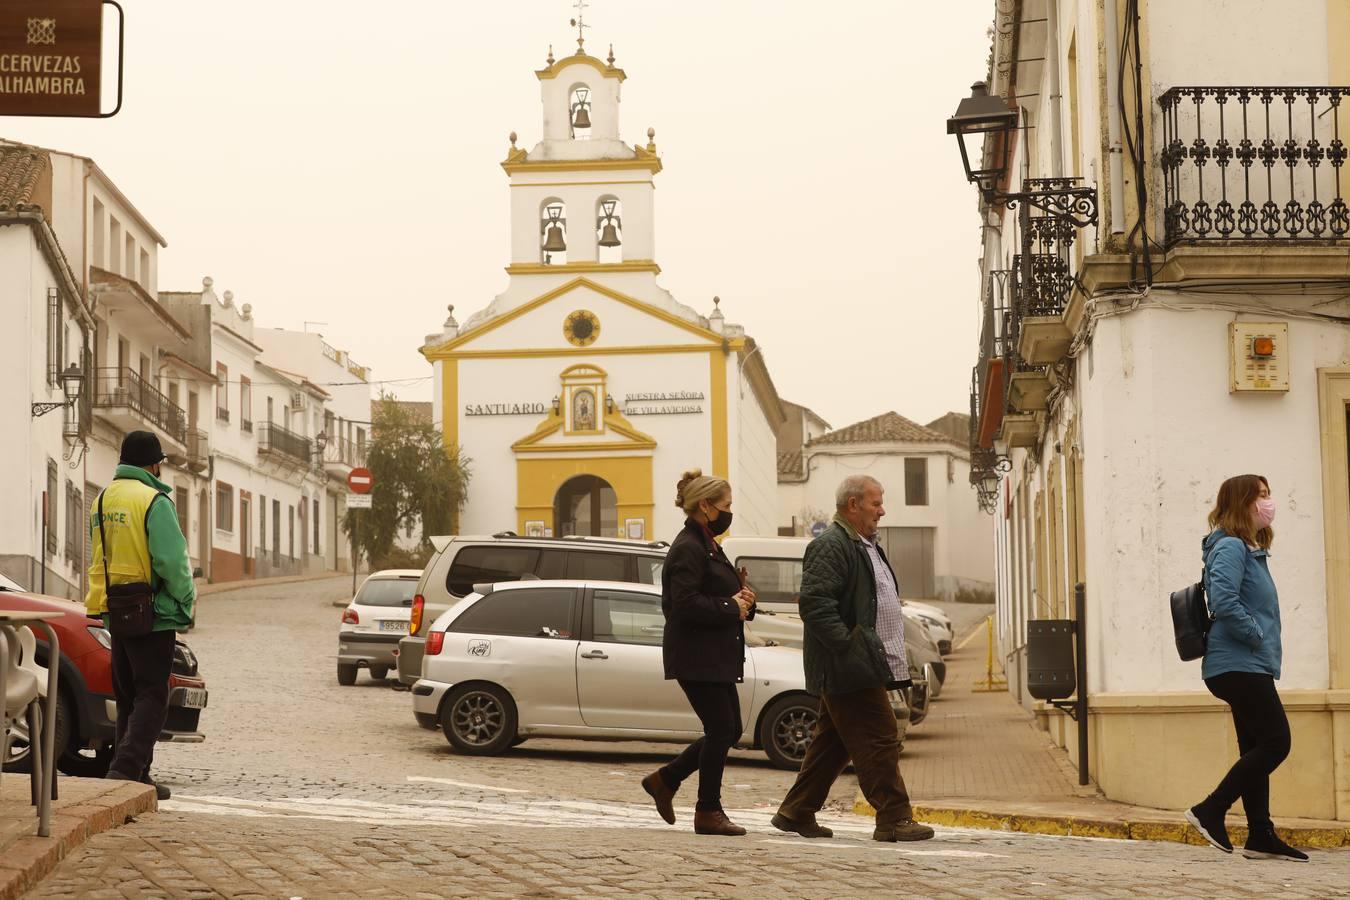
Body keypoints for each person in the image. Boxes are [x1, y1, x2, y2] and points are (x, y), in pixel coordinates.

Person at [772, 475, 934, 842]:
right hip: (848, 664)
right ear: (853, 504)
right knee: (879, 737)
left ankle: (796, 811)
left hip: (861, 660)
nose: (882, 510)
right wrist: (848, 647)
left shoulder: (863, 544)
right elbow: (815, 605)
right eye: (876, 503)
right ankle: (894, 817)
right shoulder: (832, 545)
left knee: (833, 743)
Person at [1185, 474, 1307, 862]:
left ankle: (1260, 835)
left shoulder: (1246, 549)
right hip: (1238, 663)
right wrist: (1256, 636)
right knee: (1277, 742)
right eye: (1262, 496)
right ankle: (1210, 809)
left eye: (1269, 494)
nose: (1269, 503)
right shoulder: (1232, 547)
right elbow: (1223, 600)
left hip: (1245, 664)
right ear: (1243, 503)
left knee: (1255, 746)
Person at [641, 470, 756, 836]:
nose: (729, 512)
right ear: (705, 506)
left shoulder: (707, 542)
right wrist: (729, 605)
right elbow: (685, 604)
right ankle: (707, 810)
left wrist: (744, 602)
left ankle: (666, 780)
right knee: (721, 728)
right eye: (726, 506)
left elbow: (719, 595)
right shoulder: (688, 547)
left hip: (714, 653)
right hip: (696, 655)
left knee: (730, 728)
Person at [86, 431, 196, 801]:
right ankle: (125, 769)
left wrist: (100, 606)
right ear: (153, 464)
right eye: (159, 464)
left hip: (115, 609)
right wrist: (184, 600)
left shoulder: (101, 499)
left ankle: (139, 777)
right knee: (153, 694)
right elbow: (172, 561)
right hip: (153, 611)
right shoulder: (154, 500)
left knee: (129, 694)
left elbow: (100, 556)